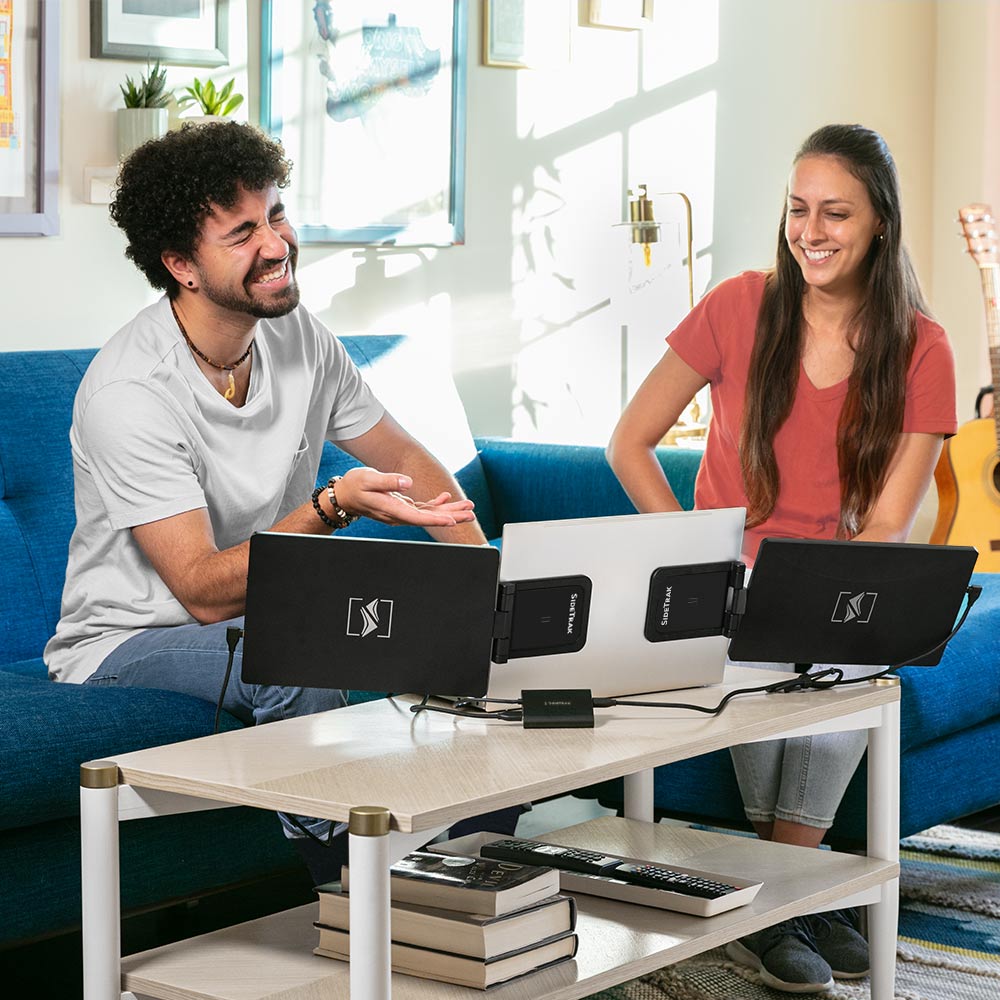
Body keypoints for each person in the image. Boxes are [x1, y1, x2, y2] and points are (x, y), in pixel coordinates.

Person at [44, 121, 518, 882]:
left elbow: (402, 456)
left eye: (275, 214)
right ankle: (350, 881)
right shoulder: (131, 392)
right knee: (290, 655)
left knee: (449, 620)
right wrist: (332, 507)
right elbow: (200, 593)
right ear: (180, 265)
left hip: (270, 604)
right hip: (126, 640)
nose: (275, 243)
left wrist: (488, 583)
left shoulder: (295, 333)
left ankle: (479, 840)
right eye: (241, 233)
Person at [607, 124, 956, 993]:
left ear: (881, 223)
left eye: (836, 213)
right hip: (723, 583)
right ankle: (800, 900)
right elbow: (629, 444)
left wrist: (823, 593)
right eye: (799, 210)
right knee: (762, 644)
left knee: (837, 647)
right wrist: (693, 552)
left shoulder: (924, 347)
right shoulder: (737, 306)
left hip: (837, 585)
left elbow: (887, 530)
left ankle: (777, 901)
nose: (812, 231)